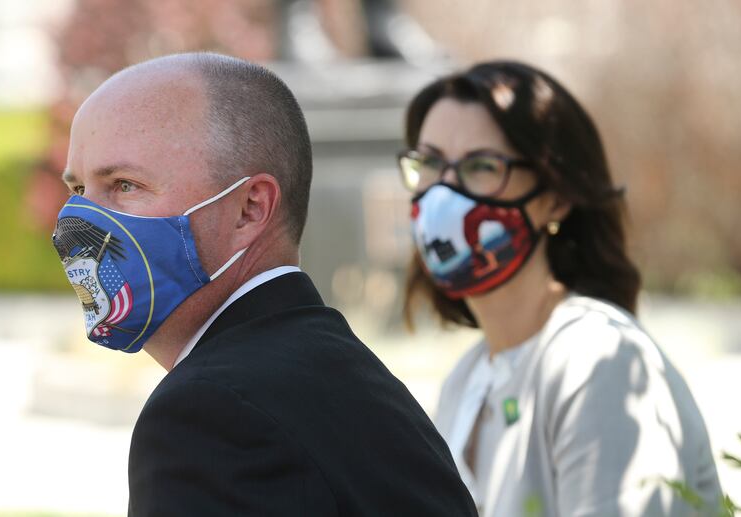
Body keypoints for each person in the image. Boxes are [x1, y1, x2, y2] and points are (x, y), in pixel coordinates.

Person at [52, 53, 477, 516]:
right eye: (77, 191)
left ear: (250, 209)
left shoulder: (211, 412)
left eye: (124, 185)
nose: (79, 222)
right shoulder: (341, 375)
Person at [398, 60, 722, 516]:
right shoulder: (467, 380)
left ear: (556, 196)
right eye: (430, 163)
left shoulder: (598, 360)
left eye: (481, 166)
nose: (443, 193)